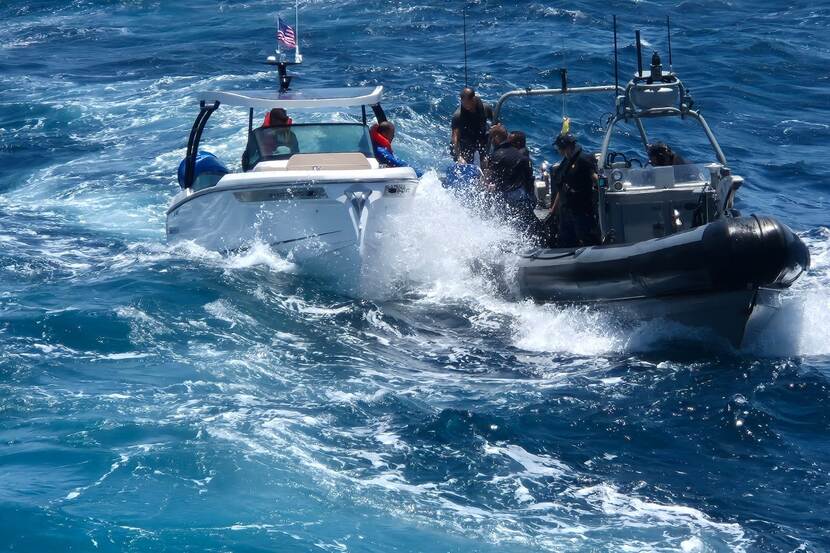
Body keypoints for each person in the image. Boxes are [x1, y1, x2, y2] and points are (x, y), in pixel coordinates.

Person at [550, 132, 599, 247]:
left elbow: (595, 178)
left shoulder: (583, 159)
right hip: (567, 207)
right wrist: (554, 208)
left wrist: (604, 189)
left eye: (558, 147)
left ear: (564, 147)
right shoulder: (566, 161)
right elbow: (561, 185)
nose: (558, 150)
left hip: (581, 207)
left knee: (586, 236)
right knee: (566, 237)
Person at [484, 125, 535, 228]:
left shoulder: (498, 154)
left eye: (492, 138)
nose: (491, 141)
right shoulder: (519, 153)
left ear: (497, 138)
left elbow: (489, 178)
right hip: (523, 194)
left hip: (510, 195)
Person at [451, 87, 493, 166]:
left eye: (468, 103)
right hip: (465, 140)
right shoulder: (457, 115)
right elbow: (455, 137)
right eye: (464, 103)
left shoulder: (485, 108)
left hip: (481, 137)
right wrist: (459, 156)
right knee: (464, 164)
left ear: (473, 99)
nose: (466, 106)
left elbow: (496, 123)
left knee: (486, 161)